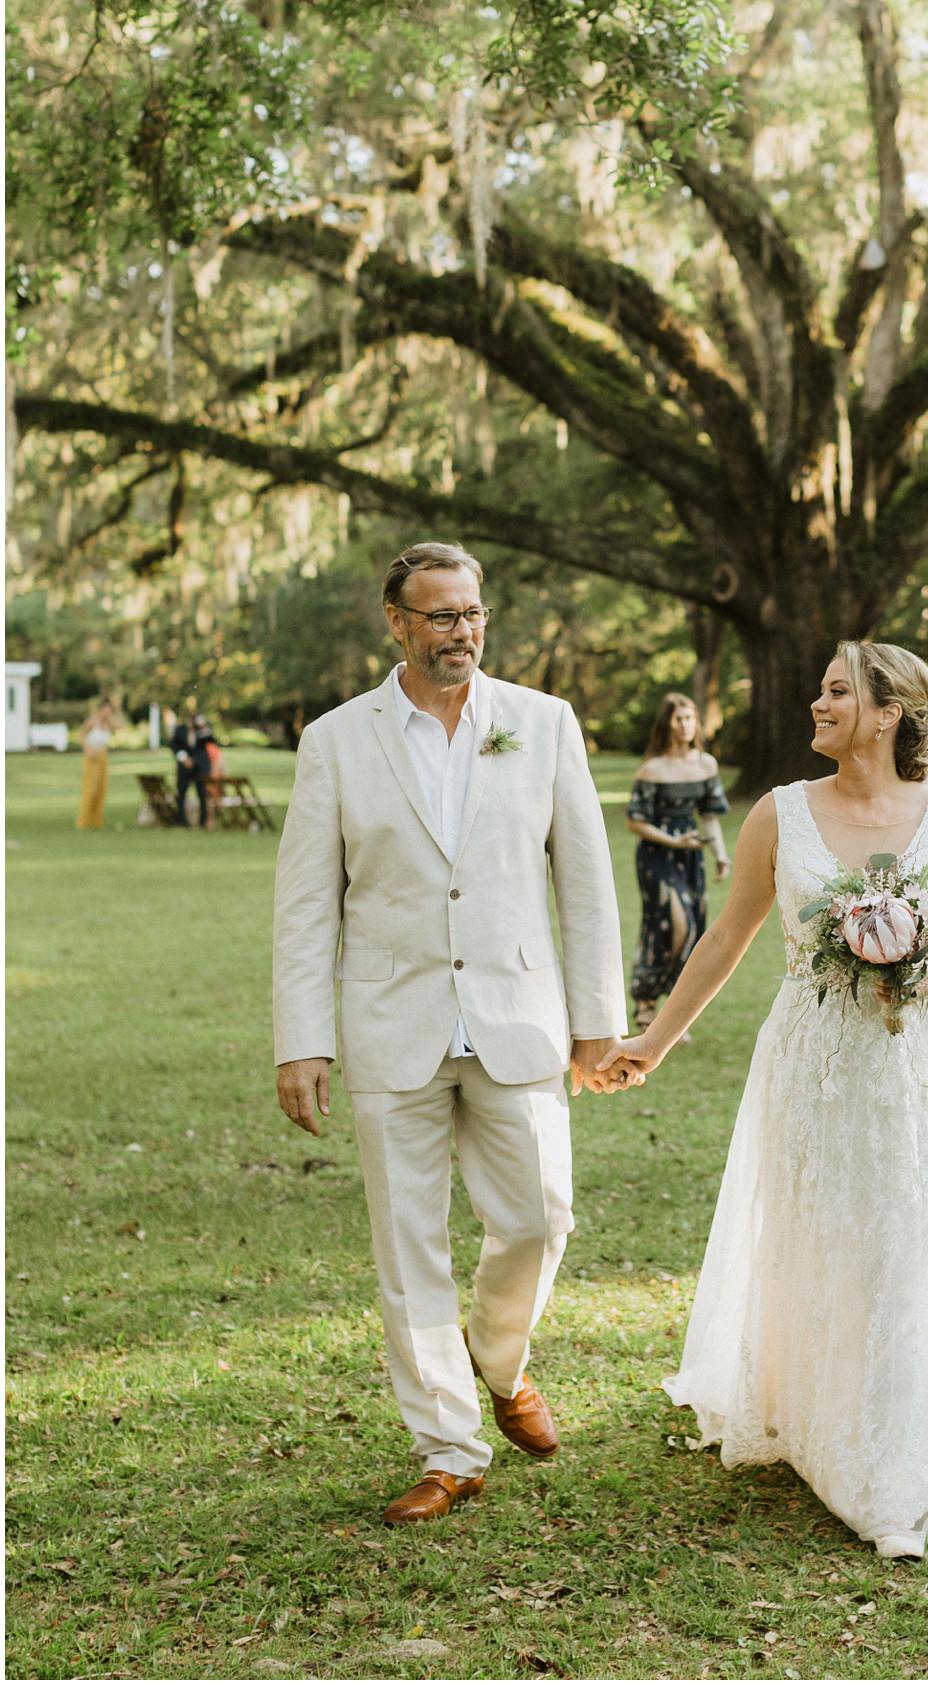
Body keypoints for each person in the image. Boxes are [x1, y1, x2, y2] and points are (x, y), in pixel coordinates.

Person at [595, 641, 928, 1560]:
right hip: (808, 1060)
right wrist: (652, 1043)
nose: (818, 702)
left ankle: (891, 1468)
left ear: (888, 714)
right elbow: (724, 941)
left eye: (838, 690)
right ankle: (810, 1414)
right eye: (822, 686)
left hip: (907, 1064)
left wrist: (921, 965)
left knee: (902, 1239)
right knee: (818, 1232)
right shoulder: (776, 814)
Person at [272, 540, 628, 1526]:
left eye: (471, 613)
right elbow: (307, 905)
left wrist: (599, 1023)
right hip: (394, 1024)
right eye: (440, 615)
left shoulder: (544, 724)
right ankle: (450, 1447)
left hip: (518, 1019)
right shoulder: (337, 740)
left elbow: (587, 880)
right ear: (396, 622)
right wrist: (303, 1038)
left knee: (540, 1217)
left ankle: (499, 1360)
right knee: (407, 1243)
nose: (461, 631)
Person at [625, 693, 730, 1035]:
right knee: (671, 925)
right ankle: (645, 998)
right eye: (678, 719)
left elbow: (710, 816)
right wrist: (673, 840)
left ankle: (666, 1013)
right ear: (666, 724)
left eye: (690, 718)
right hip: (657, 855)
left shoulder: (706, 764)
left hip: (691, 856)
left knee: (692, 930)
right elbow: (635, 821)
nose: (685, 725)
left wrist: (720, 855)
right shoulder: (652, 768)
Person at [170, 702, 217, 828]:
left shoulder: (202, 731)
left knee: (202, 794)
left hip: (199, 768)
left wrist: (203, 726)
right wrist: (184, 758)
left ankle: (203, 821)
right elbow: (174, 746)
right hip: (184, 768)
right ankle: (181, 820)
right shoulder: (180, 730)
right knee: (181, 793)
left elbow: (210, 741)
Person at [76, 694, 117, 830]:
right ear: (100, 709)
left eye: (109, 710)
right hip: (92, 757)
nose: (107, 712)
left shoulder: (108, 723)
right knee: (90, 789)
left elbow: (120, 727)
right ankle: (84, 821)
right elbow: (81, 736)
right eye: (105, 709)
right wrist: (88, 750)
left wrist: (119, 709)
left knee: (101, 789)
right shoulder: (92, 721)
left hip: (103, 756)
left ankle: (96, 820)